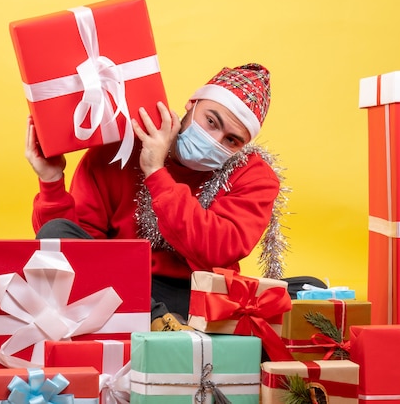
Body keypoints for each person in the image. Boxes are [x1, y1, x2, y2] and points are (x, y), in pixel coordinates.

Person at [25, 63, 299, 331]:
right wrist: (51, 181)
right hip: (120, 284)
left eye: (232, 140)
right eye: (211, 121)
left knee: (305, 291)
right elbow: (74, 250)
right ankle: (158, 321)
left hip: (198, 293)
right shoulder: (120, 149)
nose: (215, 140)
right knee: (56, 231)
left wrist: (155, 172)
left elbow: (218, 250)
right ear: (192, 104)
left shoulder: (254, 176)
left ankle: (162, 324)